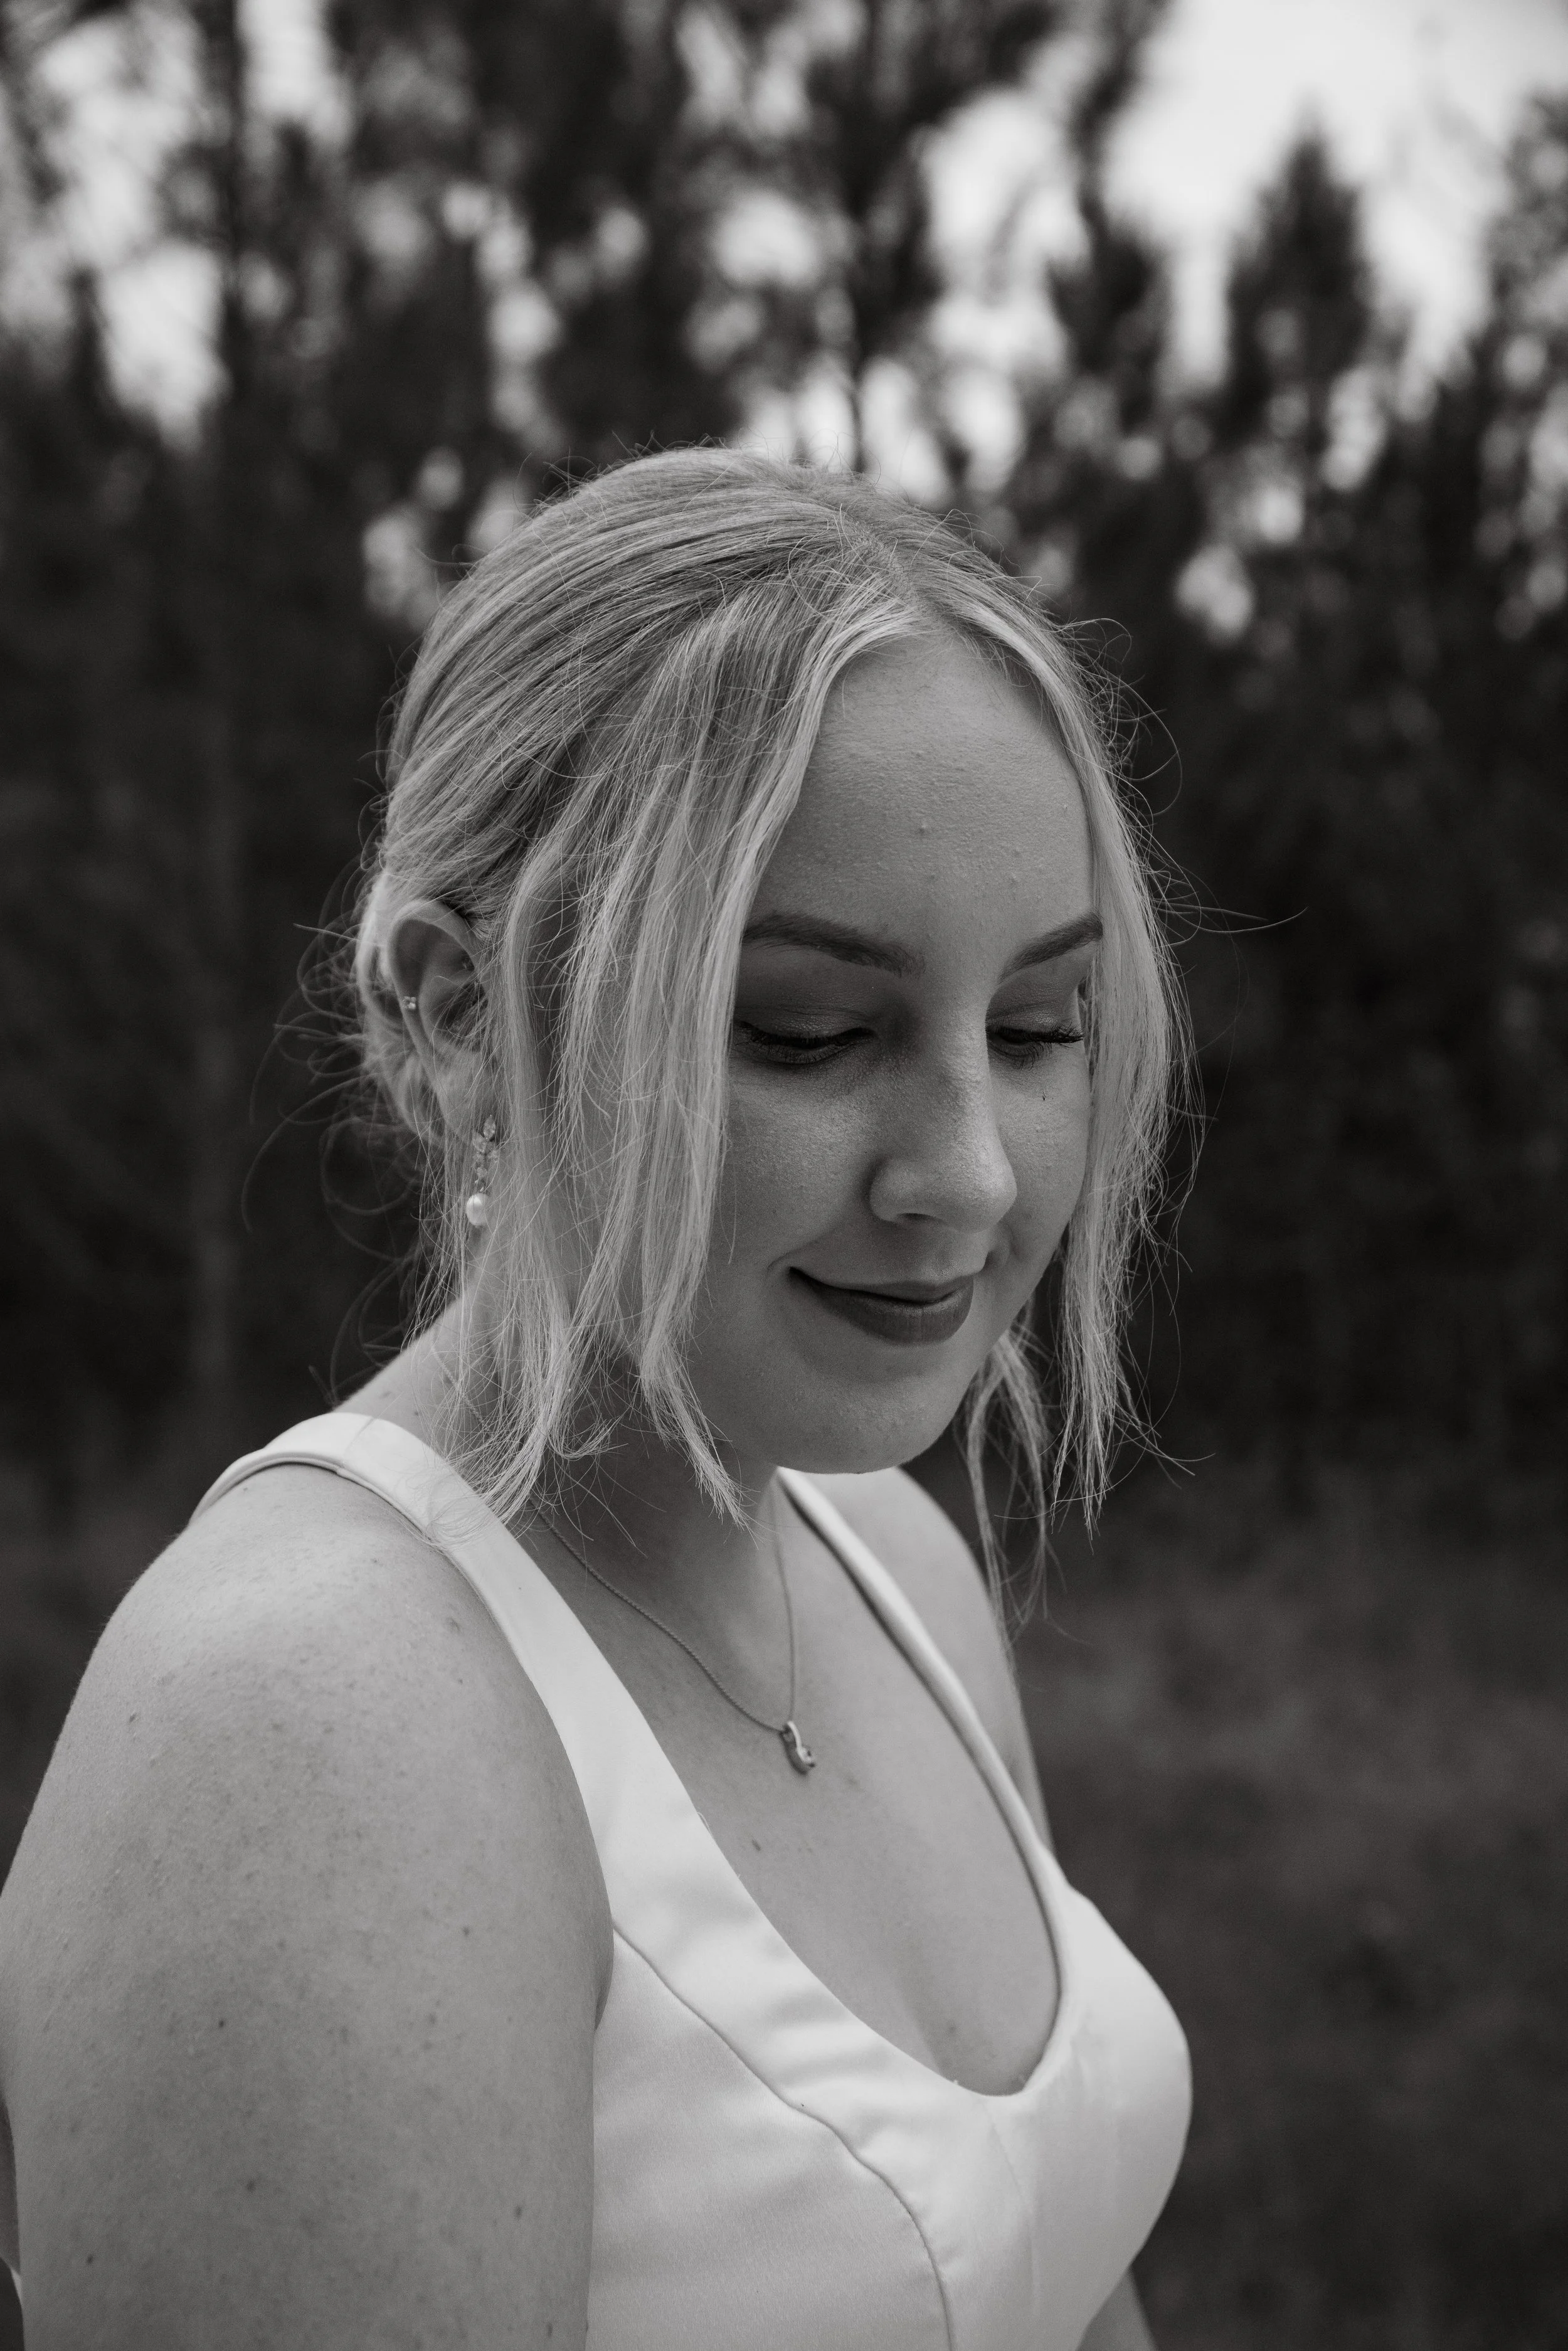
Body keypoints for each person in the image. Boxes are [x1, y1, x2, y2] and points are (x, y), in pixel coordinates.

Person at [0, 452, 1190, 2348]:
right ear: (455, 1007)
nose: (966, 1170)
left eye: (1038, 1024)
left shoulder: (890, 1560)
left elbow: (1058, 2272)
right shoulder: (307, 1725)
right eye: (809, 1025)